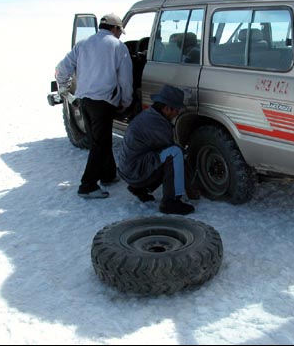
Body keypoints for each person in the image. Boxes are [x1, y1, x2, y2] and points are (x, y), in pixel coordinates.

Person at [55, 13, 133, 199]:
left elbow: (62, 68)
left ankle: (108, 175)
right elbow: (125, 79)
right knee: (100, 143)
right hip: (103, 102)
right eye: (120, 31)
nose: (120, 35)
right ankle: (87, 186)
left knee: (99, 140)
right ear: (115, 29)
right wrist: (126, 101)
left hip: (84, 100)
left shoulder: (83, 44)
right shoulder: (118, 46)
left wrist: (63, 87)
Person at [118, 85, 195, 215]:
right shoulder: (157, 124)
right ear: (166, 108)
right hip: (135, 171)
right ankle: (171, 203)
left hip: (129, 169)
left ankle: (142, 188)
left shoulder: (150, 115)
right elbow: (174, 161)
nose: (178, 113)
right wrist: (191, 188)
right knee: (175, 153)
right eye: (176, 110)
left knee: (164, 156)